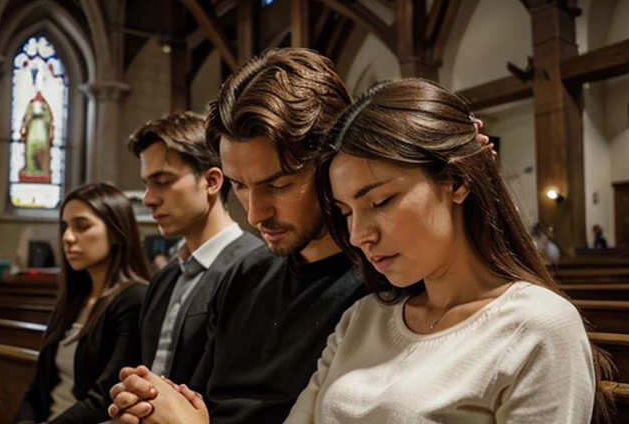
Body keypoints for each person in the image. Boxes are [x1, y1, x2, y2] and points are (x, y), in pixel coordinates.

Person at [107, 50, 494, 424]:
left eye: (278, 185)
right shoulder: (243, 275)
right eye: (240, 186)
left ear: (332, 164)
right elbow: (200, 403)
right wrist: (153, 405)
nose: (255, 213)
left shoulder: (388, 280)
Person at [283, 78, 613, 423]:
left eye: (380, 201)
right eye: (346, 212)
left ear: (456, 180)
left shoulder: (536, 327)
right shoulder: (364, 317)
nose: (357, 235)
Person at [126, 111, 263, 388]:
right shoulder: (165, 278)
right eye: (147, 184)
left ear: (212, 181)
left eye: (162, 182)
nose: (148, 199)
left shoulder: (256, 268)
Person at [14, 182, 151, 424]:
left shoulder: (134, 299)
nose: (67, 237)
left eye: (82, 226)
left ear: (117, 232)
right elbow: (37, 389)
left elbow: (105, 397)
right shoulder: (74, 299)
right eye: (64, 227)